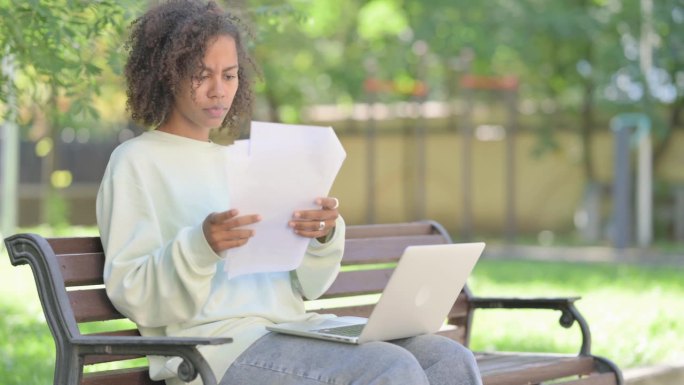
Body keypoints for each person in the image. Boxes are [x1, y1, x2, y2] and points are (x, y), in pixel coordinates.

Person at [96, 1, 483, 384]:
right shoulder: (137, 162)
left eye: (229, 76)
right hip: (216, 348)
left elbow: (307, 286)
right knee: (387, 366)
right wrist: (202, 245)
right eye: (201, 75)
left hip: (294, 328)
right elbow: (132, 292)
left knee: (447, 358)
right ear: (168, 74)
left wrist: (319, 236)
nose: (218, 91)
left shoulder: (243, 159)